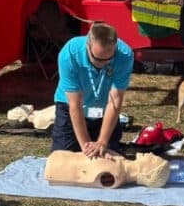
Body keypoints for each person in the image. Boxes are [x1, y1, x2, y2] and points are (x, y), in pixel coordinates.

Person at [50, 22, 133, 158]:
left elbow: (115, 102)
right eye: (97, 58)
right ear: (88, 45)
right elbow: (75, 105)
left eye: (109, 58)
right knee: (62, 159)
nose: (103, 63)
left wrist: (102, 141)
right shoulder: (70, 53)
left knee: (110, 159)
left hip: (105, 108)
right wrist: (86, 147)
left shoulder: (125, 55)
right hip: (71, 108)